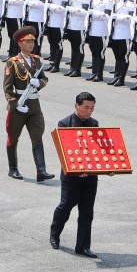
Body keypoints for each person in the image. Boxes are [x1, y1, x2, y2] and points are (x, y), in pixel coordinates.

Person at [49, 92, 109, 258]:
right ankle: (54, 234)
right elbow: (65, 151)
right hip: (71, 176)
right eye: (86, 108)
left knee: (87, 212)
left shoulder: (94, 123)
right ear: (76, 106)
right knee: (66, 206)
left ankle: (82, 246)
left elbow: (98, 150)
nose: (89, 112)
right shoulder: (65, 123)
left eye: (92, 108)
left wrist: (107, 167)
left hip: (90, 176)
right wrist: (77, 169)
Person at [3, 26, 54, 182]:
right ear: (20, 43)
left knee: (37, 138)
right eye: (27, 41)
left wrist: (38, 82)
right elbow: (7, 87)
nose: (31, 44)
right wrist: (15, 104)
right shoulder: (12, 63)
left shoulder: (36, 60)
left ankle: (41, 171)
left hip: (34, 106)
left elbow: (45, 79)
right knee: (13, 138)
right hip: (19, 106)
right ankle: (13, 169)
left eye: (32, 41)